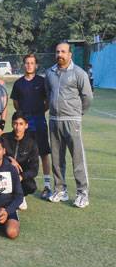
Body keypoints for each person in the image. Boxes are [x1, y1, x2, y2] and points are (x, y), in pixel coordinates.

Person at [45, 42, 93, 208]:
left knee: (77, 158)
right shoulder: (49, 73)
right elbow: (48, 93)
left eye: (63, 52)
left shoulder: (79, 73)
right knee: (57, 159)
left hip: (72, 120)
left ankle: (82, 193)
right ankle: (60, 190)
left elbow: (87, 97)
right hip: (54, 120)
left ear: (70, 54)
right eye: (57, 51)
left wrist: (78, 114)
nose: (60, 54)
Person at [11, 53, 52, 199]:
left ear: (36, 65)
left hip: (39, 122)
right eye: (27, 63)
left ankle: (47, 186)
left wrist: (39, 112)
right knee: (23, 154)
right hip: (24, 125)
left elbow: (47, 102)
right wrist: (24, 117)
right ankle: (23, 183)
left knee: (44, 153)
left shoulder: (42, 82)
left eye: (32, 63)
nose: (29, 65)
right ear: (24, 65)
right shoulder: (18, 84)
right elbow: (16, 104)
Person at [3, 111, 40, 210]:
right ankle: (5, 197)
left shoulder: (32, 143)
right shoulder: (4, 138)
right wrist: (10, 159)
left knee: (31, 186)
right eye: (15, 123)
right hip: (5, 174)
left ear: (26, 125)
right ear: (12, 124)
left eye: (21, 124)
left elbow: (34, 169)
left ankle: (20, 196)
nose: (17, 127)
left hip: (21, 177)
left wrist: (21, 176)